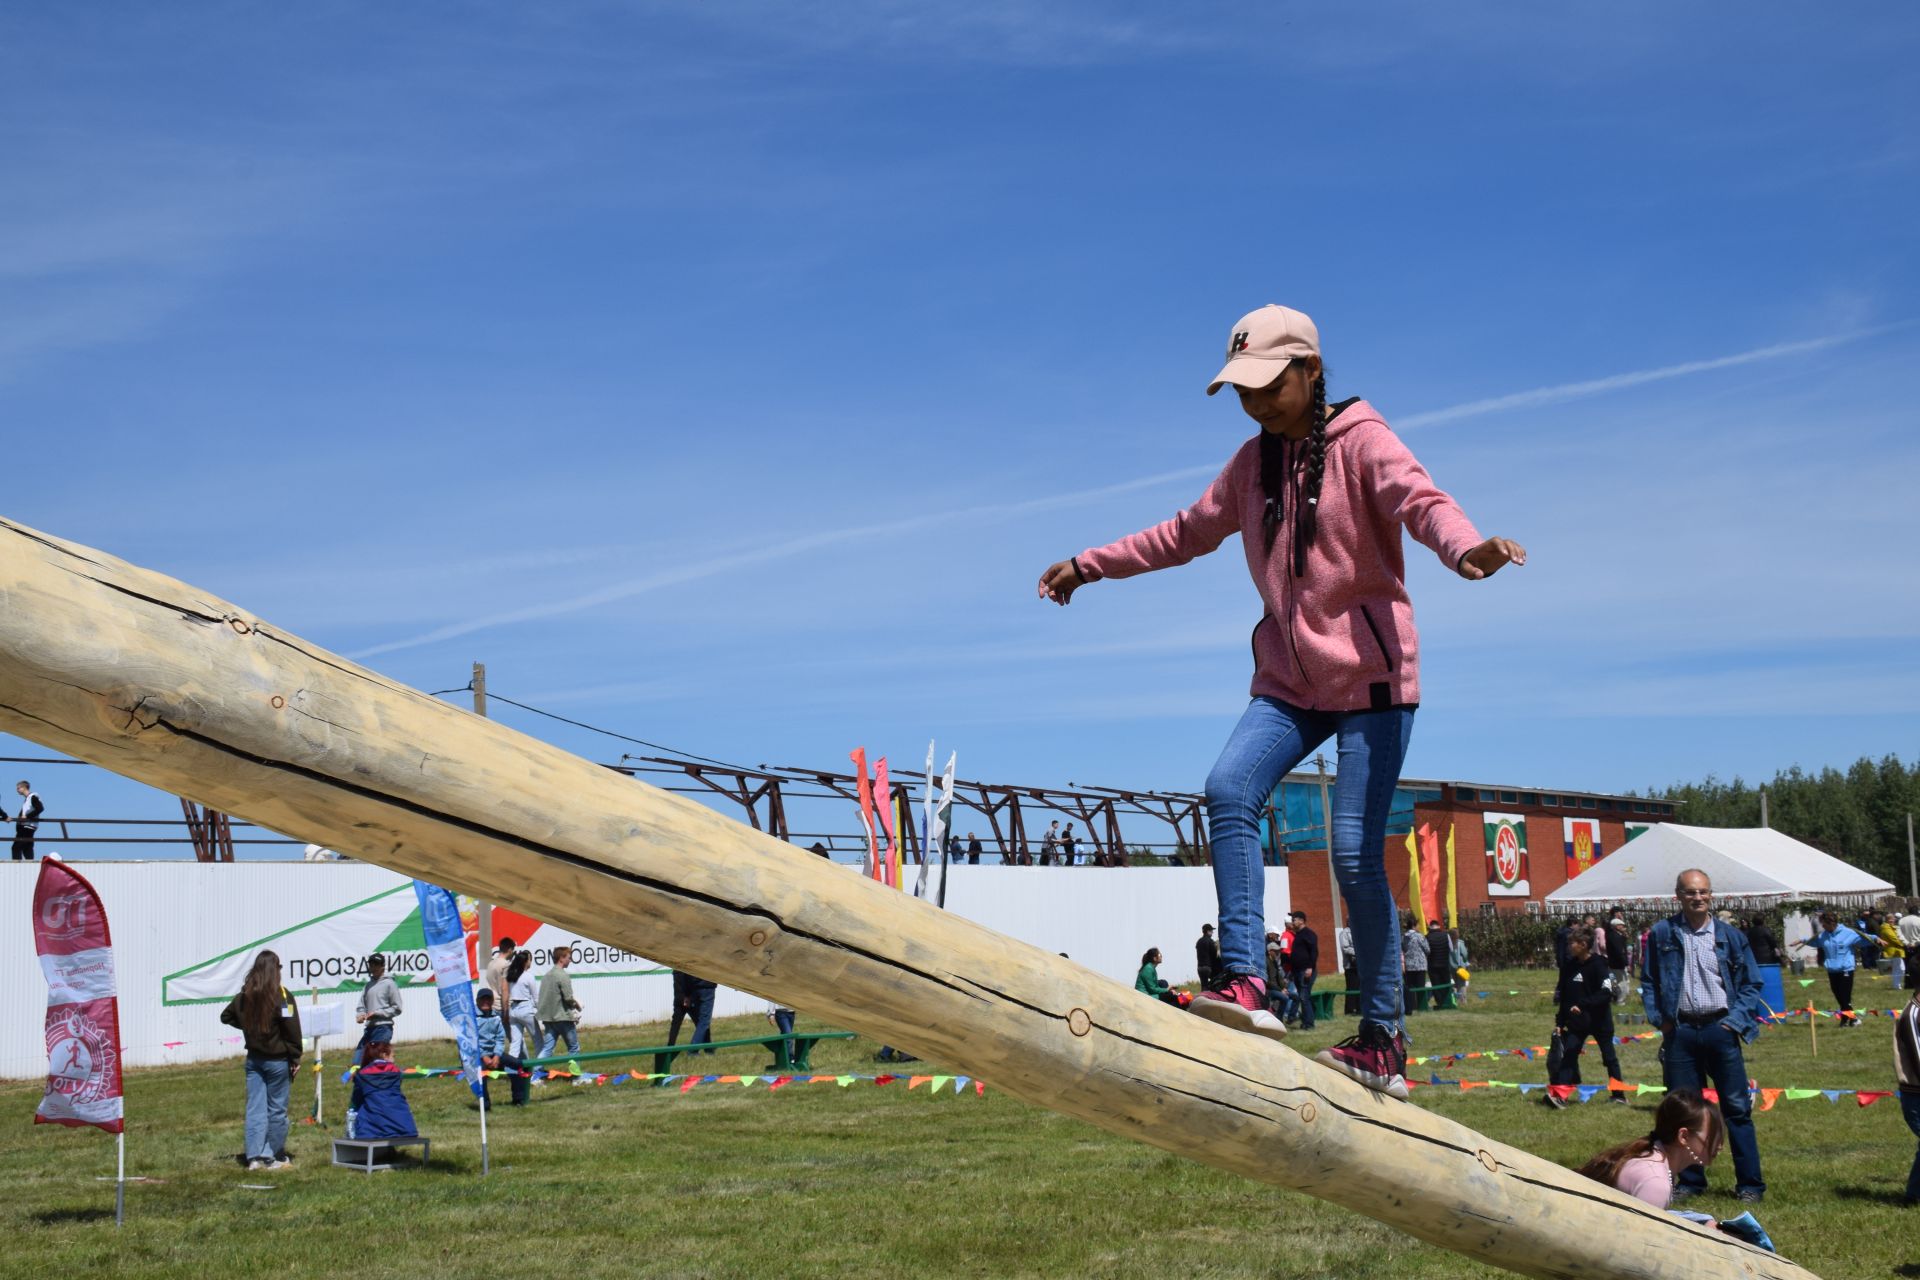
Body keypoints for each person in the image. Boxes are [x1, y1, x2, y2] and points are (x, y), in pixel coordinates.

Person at [1037, 303, 1524, 1099]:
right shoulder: (1249, 467)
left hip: (1370, 678)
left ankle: (1383, 1039)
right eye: (1243, 391)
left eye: (1270, 386)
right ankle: (1246, 982)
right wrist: (1088, 564)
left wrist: (1467, 547)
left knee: (1354, 853)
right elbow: (1184, 533)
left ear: (1312, 372)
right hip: (1291, 682)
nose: (1257, 404)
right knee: (1229, 790)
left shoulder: (1364, 441)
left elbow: (1421, 500)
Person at [1640, 868, 1767, 1202]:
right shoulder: (1662, 934)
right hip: (1680, 1032)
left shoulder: (1730, 936)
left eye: (1703, 892)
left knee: (1737, 1109)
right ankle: (1691, 1181)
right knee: (1683, 1112)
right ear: (1678, 895)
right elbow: (1649, 981)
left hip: (1720, 1030)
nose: (1698, 898)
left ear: (1711, 895)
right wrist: (1661, 1021)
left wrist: (1734, 1022)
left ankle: (1750, 1185)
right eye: (1691, 892)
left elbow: (1752, 983)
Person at [219, 950, 302, 1171]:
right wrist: (295, 1056)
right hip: (277, 1062)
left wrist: (250, 1027)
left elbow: (226, 1016)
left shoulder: (246, 995)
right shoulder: (283, 996)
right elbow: (292, 1029)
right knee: (276, 1109)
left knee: (255, 1108)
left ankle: (254, 1156)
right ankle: (272, 1155)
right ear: (275, 970)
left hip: (254, 1061)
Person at [1576, 1090, 1726, 1211]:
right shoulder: (1656, 1183)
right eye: (1712, 1136)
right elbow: (1640, 1242)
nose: (1720, 1146)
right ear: (1683, 1136)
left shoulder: (1654, 1155)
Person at [1547, 929, 1625, 1107]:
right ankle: (1561, 1096)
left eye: (1571, 943)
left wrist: (1583, 1004)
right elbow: (1565, 997)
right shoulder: (1569, 967)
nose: (1568, 947)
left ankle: (1619, 1094)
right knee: (1569, 1056)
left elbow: (1606, 993)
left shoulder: (1599, 965)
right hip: (1577, 1024)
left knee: (1609, 1058)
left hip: (1600, 1022)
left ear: (1583, 945)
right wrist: (1560, 1022)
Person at [1792, 911, 1867, 1027]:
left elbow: (1864, 938)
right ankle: (1848, 1019)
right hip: (1832, 970)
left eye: (1824, 924)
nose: (1823, 926)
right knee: (1838, 995)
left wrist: (1877, 939)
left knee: (1844, 996)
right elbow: (1815, 941)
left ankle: (1852, 1019)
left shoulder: (1848, 933)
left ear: (1832, 923)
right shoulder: (1823, 935)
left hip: (1846, 969)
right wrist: (1802, 940)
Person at [473, 988, 527, 1108]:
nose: (486, 1001)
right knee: (480, 1072)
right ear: (477, 1001)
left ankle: (518, 1099)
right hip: (475, 1055)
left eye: (488, 999)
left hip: (494, 1053)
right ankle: (485, 1105)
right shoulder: (471, 1018)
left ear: (492, 1001)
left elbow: (500, 1038)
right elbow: (471, 1042)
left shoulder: (496, 1017)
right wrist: (484, 1057)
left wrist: (497, 1055)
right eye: (483, 999)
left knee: (517, 1064)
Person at [536, 942, 583, 1058]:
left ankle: (536, 1074)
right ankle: (576, 1075)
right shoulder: (563, 975)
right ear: (561, 958)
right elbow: (568, 997)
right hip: (563, 1018)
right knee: (573, 1047)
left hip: (549, 1019)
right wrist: (577, 1005)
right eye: (568, 958)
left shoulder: (546, 976)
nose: (570, 960)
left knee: (547, 1048)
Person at [353, 954, 401, 1065]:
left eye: (376, 964)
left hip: (383, 1029)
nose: (373, 967)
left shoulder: (390, 984)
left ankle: (385, 1079)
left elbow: (397, 1008)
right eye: (371, 964)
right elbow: (361, 1006)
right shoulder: (368, 986)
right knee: (357, 1061)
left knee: (376, 1062)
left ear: (383, 966)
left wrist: (377, 1013)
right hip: (369, 1029)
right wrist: (360, 1015)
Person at [1896, 982, 1920, 1206]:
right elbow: (1917, 1058)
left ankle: (1913, 1195)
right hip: (1916, 1095)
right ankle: (1912, 1196)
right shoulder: (1911, 1015)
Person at [1287, 910, 1319, 1031]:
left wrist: (1310, 967)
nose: (1292, 921)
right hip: (1297, 971)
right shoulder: (1298, 934)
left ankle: (1309, 1024)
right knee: (1303, 997)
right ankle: (1306, 1022)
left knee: (1304, 997)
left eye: (1294, 919)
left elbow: (1314, 952)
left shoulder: (1308, 934)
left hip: (1305, 970)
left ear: (1301, 920)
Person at [505, 950, 539, 1060]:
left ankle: (512, 1070)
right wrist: (541, 1012)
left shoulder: (511, 975)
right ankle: (538, 1070)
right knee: (538, 1041)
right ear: (525, 961)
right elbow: (536, 998)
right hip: (525, 1009)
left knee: (515, 1044)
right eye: (530, 959)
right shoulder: (529, 976)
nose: (531, 962)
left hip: (513, 1010)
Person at [1400, 915, 1430, 1016]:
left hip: (1409, 966)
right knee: (1421, 987)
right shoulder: (1419, 936)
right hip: (1420, 965)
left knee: (1410, 988)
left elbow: (1402, 949)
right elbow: (1427, 949)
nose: (1418, 927)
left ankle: (1411, 1006)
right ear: (1414, 925)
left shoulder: (1404, 937)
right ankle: (1422, 1006)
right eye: (1417, 925)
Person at [12, 780, 42, 861]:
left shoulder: (32, 797)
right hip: (28, 826)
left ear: (24, 788)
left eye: (18, 788)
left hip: (27, 826)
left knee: (16, 848)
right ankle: (31, 864)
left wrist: (27, 816)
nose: (17, 790)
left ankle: (16, 867)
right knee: (27, 847)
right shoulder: (28, 798)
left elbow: (40, 808)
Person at [1878, 912, 1907, 993]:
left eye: (1893, 919)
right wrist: (1904, 944)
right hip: (1893, 951)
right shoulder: (1886, 928)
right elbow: (1894, 938)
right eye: (1892, 920)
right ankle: (1896, 985)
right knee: (1899, 968)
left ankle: (1897, 985)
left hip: (1896, 951)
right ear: (1888, 920)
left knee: (1900, 968)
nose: (1893, 921)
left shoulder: (1890, 927)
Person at [485, 936, 516, 1010]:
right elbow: (505, 988)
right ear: (510, 950)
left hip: (492, 1004)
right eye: (513, 951)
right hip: (503, 1006)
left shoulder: (490, 964)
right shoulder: (506, 965)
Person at [1424, 920, 1451, 1002]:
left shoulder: (1427, 937)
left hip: (1432, 965)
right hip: (1445, 964)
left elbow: (1426, 951)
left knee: (1436, 984)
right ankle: (1447, 1001)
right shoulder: (1446, 935)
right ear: (1439, 926)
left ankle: (1439, 1002)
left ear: (1430, 927)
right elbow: (1451, 949)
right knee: (1446, 983)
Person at [1901, 902, 1920, 991]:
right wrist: (1915, 943)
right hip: (1917, 945)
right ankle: (1917, 983)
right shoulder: (1918, 920)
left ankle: (1908, 983)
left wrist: (1906, 943)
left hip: (1906, 945)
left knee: (1907, 964)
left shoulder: (1901, 920)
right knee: (1917, 965)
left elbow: (1899, 933)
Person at [1195, 925, 1220, 991]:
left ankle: (1202, 998)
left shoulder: (1199, 941)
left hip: (1200, 967)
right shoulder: (1210, 941)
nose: (1212, 932)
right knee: (1213, 985)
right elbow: (1214, 955)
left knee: (1203, 986)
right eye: (1211, 931)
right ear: (1208, 931)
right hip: (1208, 967)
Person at [1448, 928, 1470, 997]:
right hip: (1460, 967)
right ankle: (1462, 1000)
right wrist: (1466, 962)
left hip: (1450, 967)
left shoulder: (1447, 943)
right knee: (1461, 984)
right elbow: (1464, 954)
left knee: (1453, 984)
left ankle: (1454, 999)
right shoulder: (1460, 943)